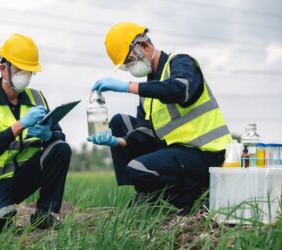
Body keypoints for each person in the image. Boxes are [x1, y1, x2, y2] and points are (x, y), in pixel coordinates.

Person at [88, 22, 232, 212]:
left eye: (130, 61)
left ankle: (196, 201)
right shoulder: (148, 90)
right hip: (178, 151)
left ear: (144, 47)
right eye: (126, 66)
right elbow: (146, 133)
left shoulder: (181, 62)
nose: (130, 68)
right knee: (119, 122)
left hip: (207, 155)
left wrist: (127, 87)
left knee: (138, 169)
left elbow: (180, 89)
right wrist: (117, 141)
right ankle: (145, 193)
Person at [0, 34, 72, 232]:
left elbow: (60, 140)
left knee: (60, 148)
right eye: (20, 70)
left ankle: (44, 215)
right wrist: (20, 125)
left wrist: (48, 135)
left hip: (21, 179)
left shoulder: (37, 98)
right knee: (1, 225)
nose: (25, 75)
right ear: (3, 69)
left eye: (29, 71)